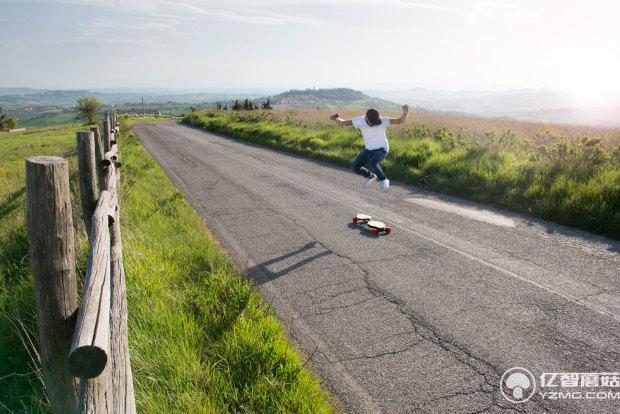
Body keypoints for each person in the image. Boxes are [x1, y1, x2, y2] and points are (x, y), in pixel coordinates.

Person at [330, 105, 408, 192]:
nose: (374, 124)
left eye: (376, 123)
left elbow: (400, 121)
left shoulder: (382, 120)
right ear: (366, 117)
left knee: (372, 163)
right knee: (355, 167)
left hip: (382, 148)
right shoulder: (359, 121)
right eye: (372, 123)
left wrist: (405, 113)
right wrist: (335, 119)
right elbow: (343, 123)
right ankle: (370, 176)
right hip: (369, 148)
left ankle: (384, 179)